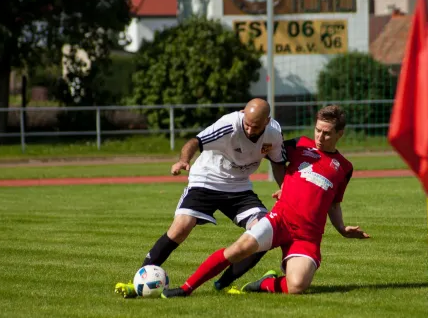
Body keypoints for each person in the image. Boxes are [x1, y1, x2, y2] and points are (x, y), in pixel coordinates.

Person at [161, 105, 370, 298]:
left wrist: (342, 229)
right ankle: (186, 288)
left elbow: (334, 204)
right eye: (318, 130)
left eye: (327, 133)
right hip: (280, 221)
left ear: (339, 134)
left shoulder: (344, 167)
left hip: (307, 237)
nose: (320, 137)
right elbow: (269, 149)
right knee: (237, 249)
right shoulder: (299, 145)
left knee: (297, 286)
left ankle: (264, 283)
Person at [115, 98, 286, 298]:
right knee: (181, 227)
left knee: (264, 231)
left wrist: (283, 187)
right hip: (207, 180)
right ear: (242, 113)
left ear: (267, 121)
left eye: (255, 127)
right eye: (246, 124)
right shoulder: (229, 124)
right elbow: (195, 141)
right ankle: (137, 281)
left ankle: (222, 284)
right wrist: (183, 160)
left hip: (239, 187)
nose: (249, 130)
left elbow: (278, 162)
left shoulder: (274, 133)